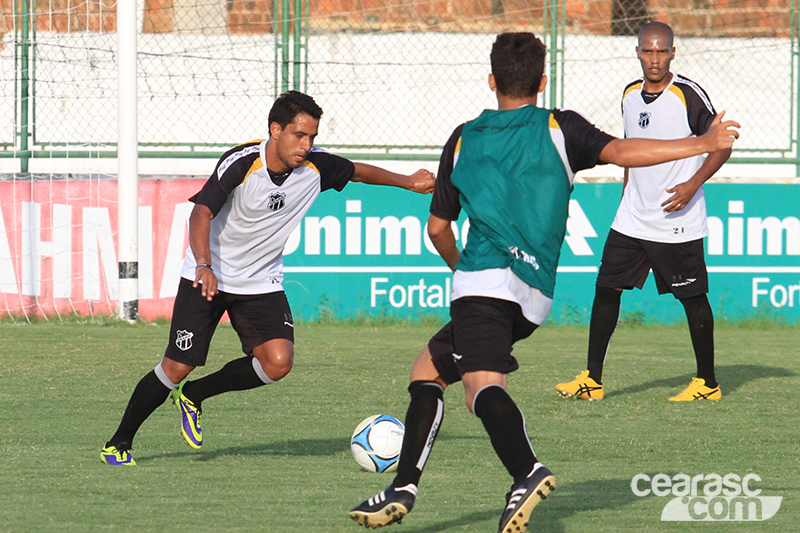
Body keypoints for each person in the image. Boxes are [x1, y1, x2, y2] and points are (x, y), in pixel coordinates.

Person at [349, 32, 739, 533]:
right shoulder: (561, 127)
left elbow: (438, 228)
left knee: (480, 388)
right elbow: (623, 152)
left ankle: (525, 473)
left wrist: (461, 272)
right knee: (427, 370)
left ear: (491, 80)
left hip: (484, 284)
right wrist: (702, 142)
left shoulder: (464, 137)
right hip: (533, 297)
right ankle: (403, 487)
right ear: (542, 80)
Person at [100, 90, 435, 466]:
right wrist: (204, 265)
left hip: (260, 281)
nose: (306, 145)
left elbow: (357, 171)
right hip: (209, 275)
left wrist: (408, 182)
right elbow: (201, 213)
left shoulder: (315, 168)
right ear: (275, 130)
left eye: (312, 137)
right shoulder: (242, 163)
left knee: (278, 362)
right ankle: (118, 443)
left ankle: (195, 396)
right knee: (177, 366)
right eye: (298, 135)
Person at [555, 22, 730, 403]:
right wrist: (625, 194)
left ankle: (708, 383)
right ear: (637, 51)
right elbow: (629, 153)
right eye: (648, 51)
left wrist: (692, 184)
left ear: (672, 53)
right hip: (633, 216)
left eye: (662, 52)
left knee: (693, 298)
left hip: (675, 218)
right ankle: (592, 379)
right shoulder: (630, 95)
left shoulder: (688, 94)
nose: (655, 59)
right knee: (606, 288)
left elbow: (721, 145)